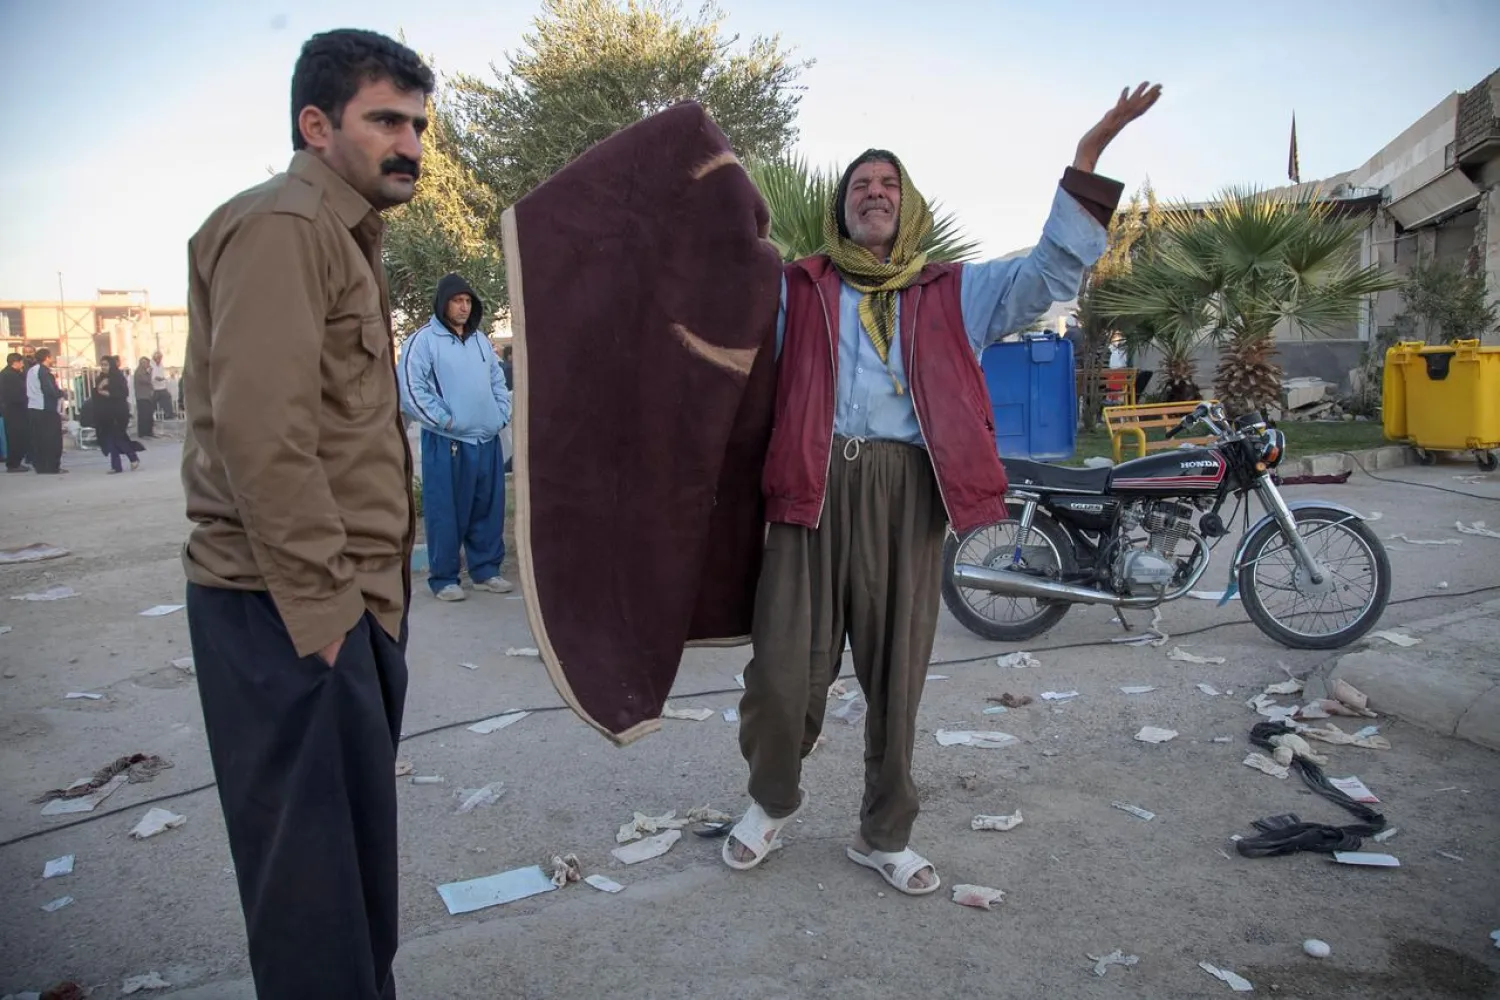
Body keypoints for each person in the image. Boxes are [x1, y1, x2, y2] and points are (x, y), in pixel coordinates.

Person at [722, 83, 1162, 895]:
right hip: (808, 489)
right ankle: (770, 801)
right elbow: (713, 325)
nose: (875, 194)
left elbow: (1051, 270)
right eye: (860, 186)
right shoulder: (798, 287)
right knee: (782, 674)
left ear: (908, 204)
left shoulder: (953, 291)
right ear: (841, 210)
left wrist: (1090, 158)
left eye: (888, 184)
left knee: (898, 677)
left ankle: (883, 834)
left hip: (906, 493)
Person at [179, 28, 432, 1000]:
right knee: (314, 910)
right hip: (289, 611)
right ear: (316, 124)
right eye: (384, 120)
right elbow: (263, 439)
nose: (408, 143)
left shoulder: (341, 233)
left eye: (416, 123)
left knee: (355, 893)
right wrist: (328, 628)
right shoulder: (285, 227)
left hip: (342, 607)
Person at [397, 273, 513, 601]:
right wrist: (447, 422)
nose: (464, 308)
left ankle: (486, 570)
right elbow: (411, 389)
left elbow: (496, 380)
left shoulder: (479, 341)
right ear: (443, 303)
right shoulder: (423, 341)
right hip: (447, 441)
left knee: (488, 507)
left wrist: (500, 415)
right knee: (446, 509)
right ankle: (445, 578)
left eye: (468, 302)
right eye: (457, 301)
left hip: (485, 439)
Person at [25, 348, 65, 474]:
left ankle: (40, 466)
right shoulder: (44, 372)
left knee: (38, 438)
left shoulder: (31, 370)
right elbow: (49, 390)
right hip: (46, 409)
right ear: (47, 358)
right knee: (52, 439)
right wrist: (61, 393)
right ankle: (52, 466)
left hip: (33, 407)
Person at [3, 352, 29, 472]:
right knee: (15, 437)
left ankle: (15, 462)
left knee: (17, 436)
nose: (22, 364)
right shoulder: (10, 376)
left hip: (13, 410)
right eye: (21, 362)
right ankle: (14, 463)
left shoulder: (11, 374)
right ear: (15, 363)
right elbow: (18, 393)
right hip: (14, 410)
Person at [134, 357, 155, 437]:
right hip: (142, 396)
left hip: (147, 396)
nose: (147, 365)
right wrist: (150, 373)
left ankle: (149, 432)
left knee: (149, 415)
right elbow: (146, 381)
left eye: (148, 363)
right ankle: (142, 433)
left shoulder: (145, 372)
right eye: (146, 363)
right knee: (143, 415)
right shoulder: (139, 372)